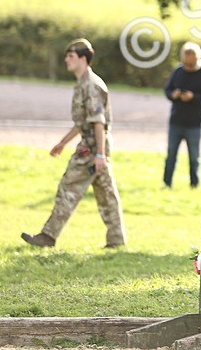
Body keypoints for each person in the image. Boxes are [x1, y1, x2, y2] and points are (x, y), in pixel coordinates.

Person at [22, 38, 126, 248]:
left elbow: (98, 123)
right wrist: (62, 143)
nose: (66, 60)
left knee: (68, 186)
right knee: (106, 194)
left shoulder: (92, 86)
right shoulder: (82, 84)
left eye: (70, 56)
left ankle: (48, 236)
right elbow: (82, 123)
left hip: (92, 148)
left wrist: (99, 155)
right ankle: (116, 241)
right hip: (95, 146)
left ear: (83, 58)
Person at [163, 42, 201, 188]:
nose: (188, 60)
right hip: (176, 120)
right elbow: (167, 90)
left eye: (191, 56)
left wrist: (193, 97)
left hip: (194, 122)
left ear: (197, 57)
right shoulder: (178, 71)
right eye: (186, 56)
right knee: (171, 156)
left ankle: (194, 184)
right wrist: (174, 94)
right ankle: (167, 183)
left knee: (194, 157)